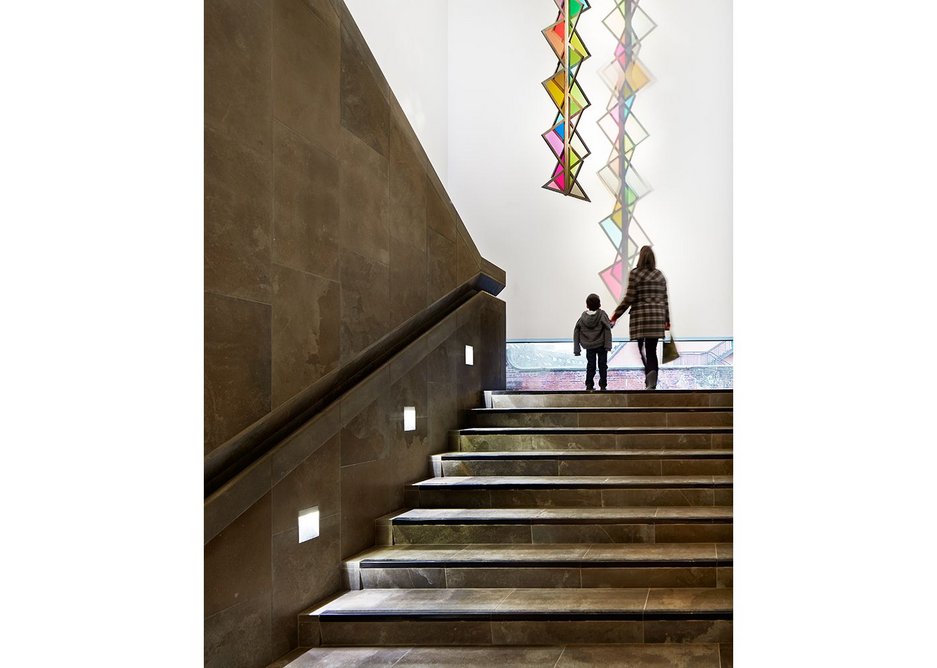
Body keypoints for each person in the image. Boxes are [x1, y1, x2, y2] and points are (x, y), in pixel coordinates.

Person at [610, 246, 671, 390]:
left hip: (641, 319)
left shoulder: (635, 274)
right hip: (657, 318)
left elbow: (629, 298)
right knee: (652, 350)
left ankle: (649, 378)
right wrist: (667, 320)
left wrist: (615, 315)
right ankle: (652, 380)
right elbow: (665, 300)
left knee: (641, 347)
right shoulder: (660, 276)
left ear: (640, 257)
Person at [573, 293, 613, 391]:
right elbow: (608, 329)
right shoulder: (603, 315)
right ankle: (603, 385)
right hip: (601, 345)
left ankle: (589, 384)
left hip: (589, 346)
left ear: (587, 305)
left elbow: (576, 332)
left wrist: (577, 349)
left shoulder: (582, 318)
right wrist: (608, 345)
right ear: (599, 304)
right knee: (602, 365)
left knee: (591, 365)